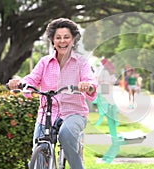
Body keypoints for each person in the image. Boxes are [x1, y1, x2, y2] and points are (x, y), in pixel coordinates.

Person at [7, 18, 97, 169]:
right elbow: (32, 79)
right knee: (39, 149)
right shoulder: (44, 62)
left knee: (66, 134)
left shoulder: (81, 62)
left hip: (74, 113)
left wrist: (87, 86)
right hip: (47, 113)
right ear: (53, 41)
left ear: (73, 39)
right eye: (58, 38)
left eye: (66, 37)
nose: (62, 41)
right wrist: (19, 83)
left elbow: (91, 82)